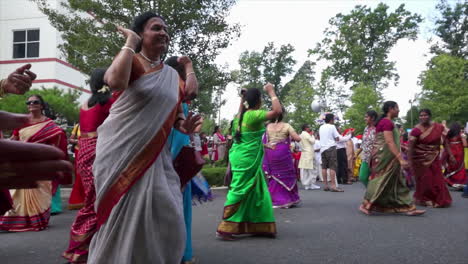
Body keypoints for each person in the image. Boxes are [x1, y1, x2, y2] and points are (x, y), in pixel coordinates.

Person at [87, 12, 201, 264]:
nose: (163, 33)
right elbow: (114, 81)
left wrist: (184, 127)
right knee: (121, 218)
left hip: (156, 157)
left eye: (165, 29)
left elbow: (174, 115)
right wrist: (129, 42)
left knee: (168, 217)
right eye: (156, 28)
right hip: (120, 153)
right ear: (141, 34)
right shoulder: (133, 62)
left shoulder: (171, 77)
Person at [63, 68, 120, 263]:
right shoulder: (109, 102)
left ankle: (80, 247)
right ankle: (83, 249)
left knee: (91, 199)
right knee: (100, 200)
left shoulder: (86, 103)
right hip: (101, 151)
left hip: (84, 151)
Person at [0, 65, 71, 214]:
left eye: (35, 102)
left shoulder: (50, 125)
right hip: (22, 159)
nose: (31, 105)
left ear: (42, 106)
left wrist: (4, 86)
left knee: (39, 192)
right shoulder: (23, 122)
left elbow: (57, 143)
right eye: (29, 103)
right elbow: (15, 137)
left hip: (39, 161)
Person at [216, 83, 281, 240]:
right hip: (247, 160)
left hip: (243, 157)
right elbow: (277, 111)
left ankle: (261, 225)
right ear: (258, 101)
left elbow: (247, 136)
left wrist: (242, 99)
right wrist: (271, 91)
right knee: (238, 190)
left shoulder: (240, 116)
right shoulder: (253, 115)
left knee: (258, 192)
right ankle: (225, 227)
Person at [359, 101, 425, 216]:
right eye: (397, 108)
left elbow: (390, 141)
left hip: (389, 156)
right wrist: (400, 158)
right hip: (386, 157)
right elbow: (389, 142)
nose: (399, 110)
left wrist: (402, 148)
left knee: (398, 182)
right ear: (391, 109)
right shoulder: (386, 123)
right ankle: (366, 204)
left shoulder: (387, 122)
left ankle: (408, 207)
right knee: (381, 181)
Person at [408, 109, 452, 208]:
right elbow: (411, 147)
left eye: (425, 115)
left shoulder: (438, 127)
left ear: (430, 116)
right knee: (425, 180)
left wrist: (451, 155)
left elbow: (445, 142)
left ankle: (438, 198)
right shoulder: (416, 130)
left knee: (437, 179)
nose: (423, 117)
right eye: (421, 115)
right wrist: (409, 162)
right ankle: (424, 198)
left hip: (435, 158)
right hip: (420, 160)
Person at [262, 110, 301, 208]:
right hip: (283, 153)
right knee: (287, 174)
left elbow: (264, 141)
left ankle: (276, 199)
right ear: (282, 115)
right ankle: (288, 199)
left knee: (274, 175)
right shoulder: (287, 126)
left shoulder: (268, 126)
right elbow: (297, 138)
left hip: (271, 152)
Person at [319, 114, 350, 192]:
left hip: (322, 148)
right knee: (333, 166)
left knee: (324, 167)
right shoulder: (332, 127)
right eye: (333, 119)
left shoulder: (321, 127)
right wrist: (348, 136)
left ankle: (326, 185)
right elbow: (337, 138)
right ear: (331, 120)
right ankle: (333, 186)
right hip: (330, 147)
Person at [67, 123, 86, 210]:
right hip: (78, 151)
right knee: (79, 175)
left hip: (90, 150)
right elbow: (70, 139)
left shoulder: (95, 123)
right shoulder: (77, 126)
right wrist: (77, 141)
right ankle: (78, 200)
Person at [444, 122, 467, 186]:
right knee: (460, 166)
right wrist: (464, 138)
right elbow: (465, 145)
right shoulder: (461, 134)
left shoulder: (449, 134)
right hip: (459, 151)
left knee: (451, 166)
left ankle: (450, 180)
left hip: (450, 151)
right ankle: (459, 181)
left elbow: (446, 143)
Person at [359, 110, 377, 186]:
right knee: (362, 177)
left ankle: (374, 195)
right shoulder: (366, 128)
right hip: (366, 158)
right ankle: (372, 193)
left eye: (366, 117)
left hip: (375, 158)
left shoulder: (377, 128)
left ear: (372, 118)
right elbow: (363, 143)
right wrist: (357, 153)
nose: (364, 118)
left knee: (376, 178)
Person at [298, 124, 320, 190]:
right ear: (306, 128)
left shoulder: (300, 135)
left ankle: (307, 184)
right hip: (309, 153)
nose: (309, 128)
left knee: (305, 169)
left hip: (304, 153)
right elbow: (313, 141)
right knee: (312, 169)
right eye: (308, 127)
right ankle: (311, 184)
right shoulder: (306, 134)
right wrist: (312, 135)